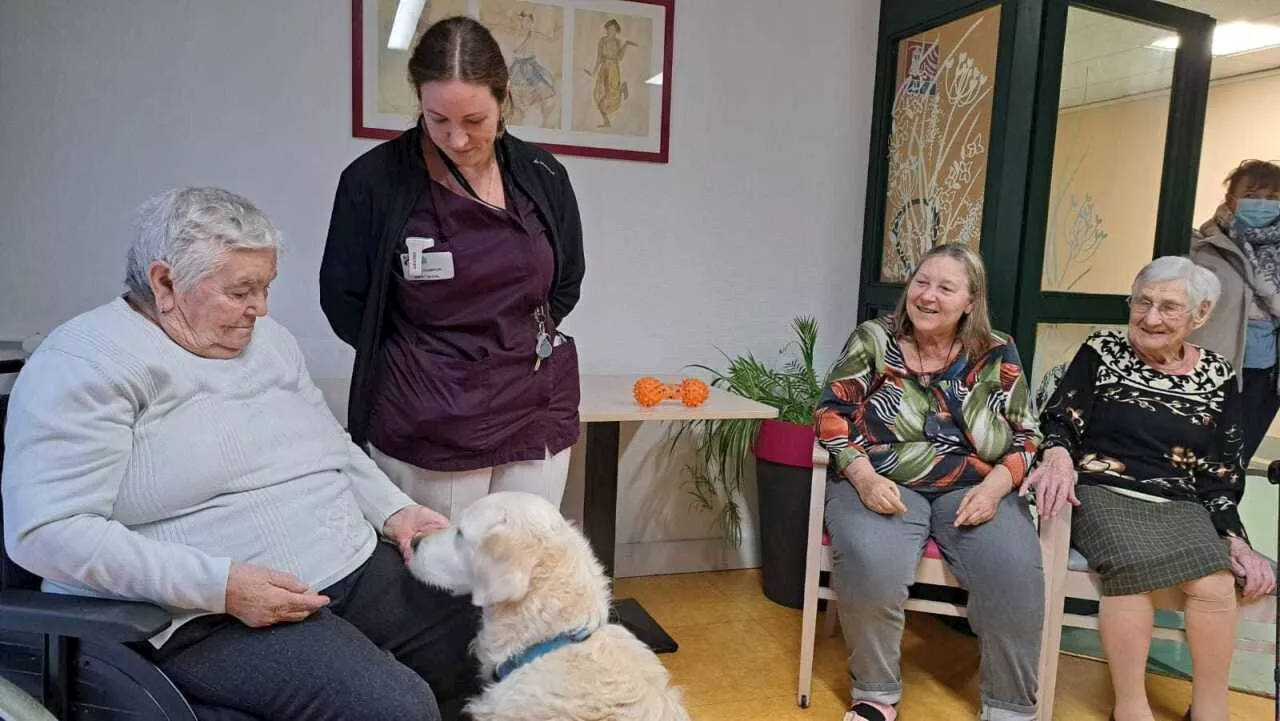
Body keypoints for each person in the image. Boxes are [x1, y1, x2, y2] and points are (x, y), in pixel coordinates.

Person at [2, 188, 479, 721]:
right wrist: (221, 586)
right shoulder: (85, 365)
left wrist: (395, 510)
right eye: (241, 290)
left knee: (497, 631)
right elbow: (46, 532)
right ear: (164, 283)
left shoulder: (270, 341)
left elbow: (330, 446)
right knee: (393, 707)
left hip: (346, 564)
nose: (262, 308)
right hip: (200, 612)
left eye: (266, 287)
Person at [321, 16, 585, 522]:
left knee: (522, 568)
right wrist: (424, 364)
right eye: (437, 119)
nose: (457, 139)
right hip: (427, 414)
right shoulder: (372, 183)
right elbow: (345, 301)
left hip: (530, 401)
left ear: (503, 99)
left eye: (474, 121)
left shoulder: (543, 173)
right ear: (417, 101)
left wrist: (506, 345)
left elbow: (566, 279)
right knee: (439, 578)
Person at [1026, 256, 1277, 721]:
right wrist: (1057, 455)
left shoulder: (1218, 375)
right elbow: (1062, 417)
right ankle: (1131, 708)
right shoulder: (1102, 349)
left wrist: (1235, 538)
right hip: (1103, 489)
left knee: (1217, 582)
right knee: (1132, 571)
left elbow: (1222, 470)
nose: (1151, 318)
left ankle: (1209, 710)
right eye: (1142, 303)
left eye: (1169, 307)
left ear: (1200, 316)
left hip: (1180, 502)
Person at [815, 243, 1044, 721]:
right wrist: (861, 477)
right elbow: (831, 415)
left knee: (1013, 569)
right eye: (921, 282)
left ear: (970, 302)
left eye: (946, 287)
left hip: (975, 484)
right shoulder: (874, 339)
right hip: (881, 478)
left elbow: (1027, 433)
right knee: (871, 561)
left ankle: (1009, 707)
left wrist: (996, 488)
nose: (928, 296)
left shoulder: (996, 350)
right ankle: (875, 694)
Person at [1190, 159, 1280, 464]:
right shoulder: (1203, 247)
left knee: (1236, 465)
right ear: (1231, 199)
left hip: (1265, 375)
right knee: (1199, 460)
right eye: (1252, 195)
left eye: (1272, 199)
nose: (1262, 204)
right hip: (1213, 368)